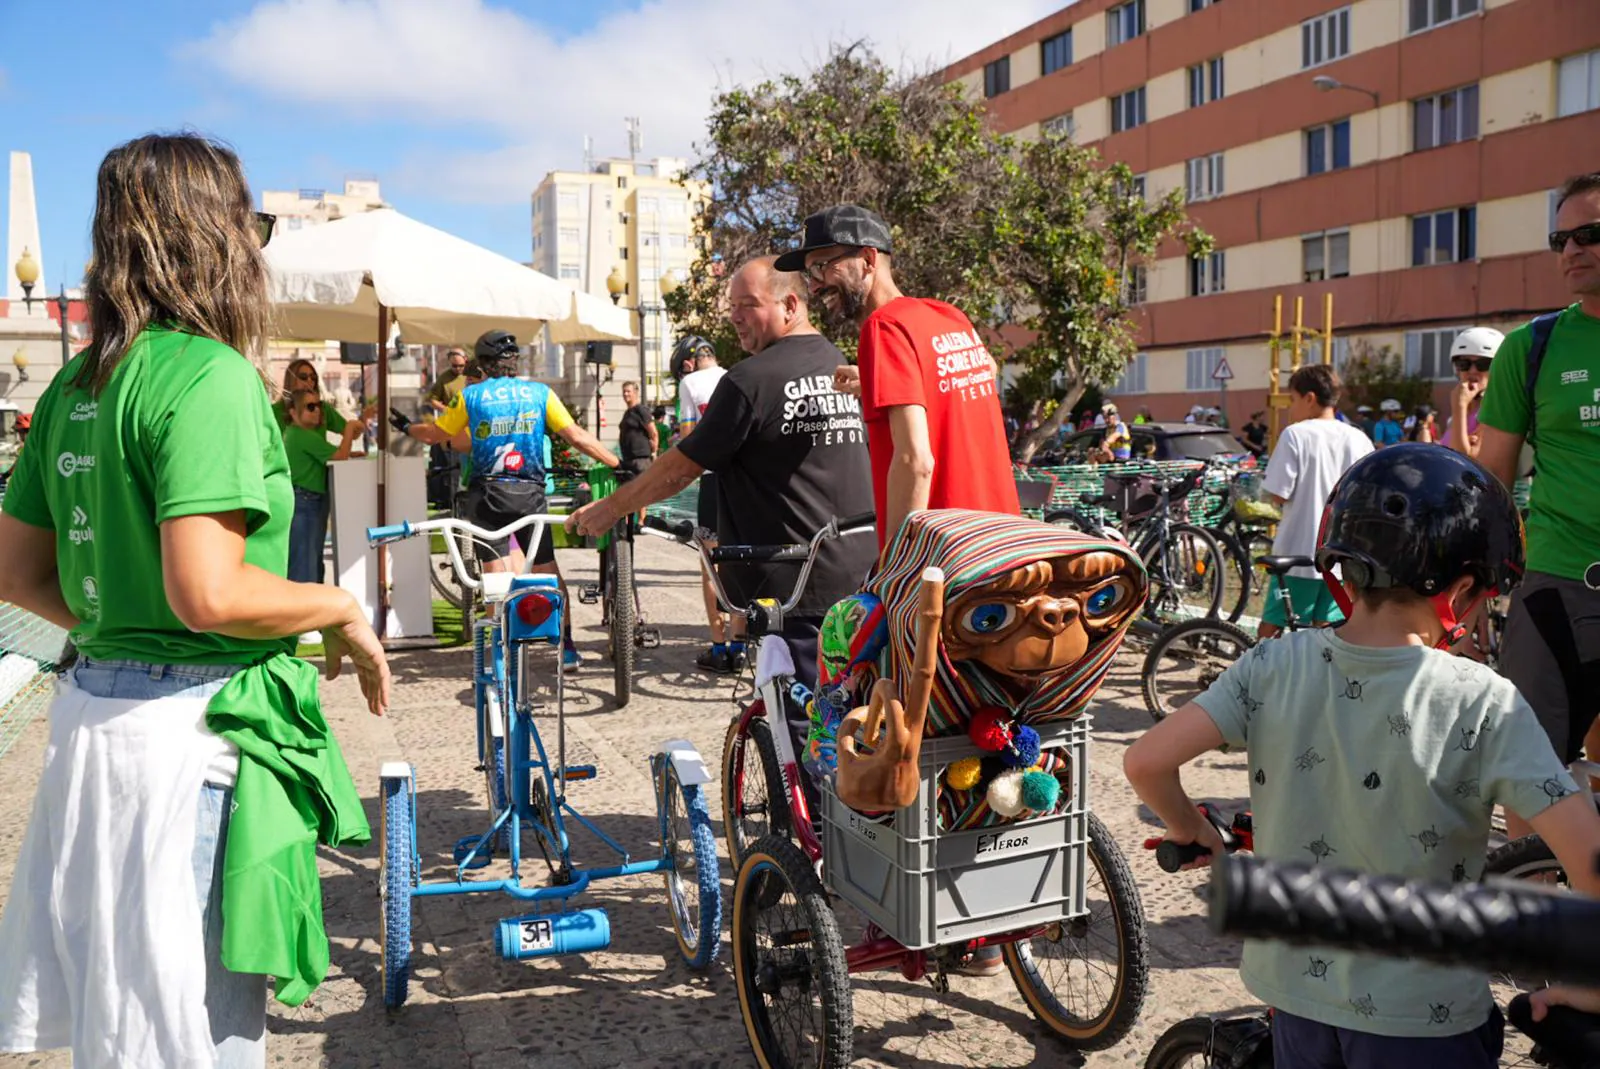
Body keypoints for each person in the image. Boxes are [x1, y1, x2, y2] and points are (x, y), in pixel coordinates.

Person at [0, 131, 389, 1068]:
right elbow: (208, 592)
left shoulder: (73, 383)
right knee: (196, 1032)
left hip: (91, 727)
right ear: (206, 235)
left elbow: (14, 577)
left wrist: (115, 629)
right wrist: (333, 606)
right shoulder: (208, 375)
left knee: (122, 1020)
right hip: (187, 743)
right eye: (244, 222)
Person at [1124, 444, 1600, 1069]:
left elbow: (1145, 762)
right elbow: (1589, 861)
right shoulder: (1483, 701)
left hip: (1297, 1004)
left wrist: (1191, 829)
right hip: (1428, 1022)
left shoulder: (1273, 664)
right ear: (1459, 594)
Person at [570, 253, 875, 710]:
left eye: (747, 304)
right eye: (731, 306)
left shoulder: (751, 379)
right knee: (856, 718)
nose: (734, 317)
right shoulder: (838, 364)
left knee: (806, 726)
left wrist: (610, 508)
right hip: (860, 573)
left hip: (795, 588)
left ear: (790, 305)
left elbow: (681, 467)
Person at [1476, 171, 1600, 843]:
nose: (1572, 249)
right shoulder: (1532, 348)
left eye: (1591, 234)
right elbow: (1493, 478)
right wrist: (1474, 589)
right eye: (1562, 238)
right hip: (1556, 584)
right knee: (1529, 766)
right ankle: (1536, 909)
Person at [782, 203, 1019, 551]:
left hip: (946, 560)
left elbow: (915, 461)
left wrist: (895, 567)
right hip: (1001, 543)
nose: (815, 287)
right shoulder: (948, 316)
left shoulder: (884, 327)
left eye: (822, 266)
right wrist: (878, 382)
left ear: (867, 259)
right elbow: (985, 369)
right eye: (809, 275)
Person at [399, 329, 618, 667]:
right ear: (514, 361)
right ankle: (567, 646)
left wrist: (406, 428)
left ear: (483, 364)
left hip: (488, 496)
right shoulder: (539, 393)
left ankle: (498, 653)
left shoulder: (470, 397)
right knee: (547, 569)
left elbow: (436, 435)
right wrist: (617, 463)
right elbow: (575, 436)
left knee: (496, 574)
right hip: (530, 494)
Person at [1257, 364, 1372, 639]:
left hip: (1300, 549)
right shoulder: (1358, 438)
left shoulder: (1296, 434)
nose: (1290, 408)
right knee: (1325, 632)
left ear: (1309, 398)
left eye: (1292, 400)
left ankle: (1252, 679)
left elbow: (1278, 492)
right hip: (1342, 554)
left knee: (1272, 625)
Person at [666, 334, 744, 671]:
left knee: (709, 564)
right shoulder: (736, 375)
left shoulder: (691, 383)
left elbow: (689, 439)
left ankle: (718, 646)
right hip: (743, 482)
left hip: (712, 480)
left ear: (687, 364)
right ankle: (740, 646)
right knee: (738, 562)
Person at [282, 389, 362, 584]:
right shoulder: (301, 435)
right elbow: (340, 456)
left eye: (318, 405)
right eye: (310, 407)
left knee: (311, 560)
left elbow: (332, 454)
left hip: (306, 500)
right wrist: (350, 429)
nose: (317, 410)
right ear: (293, 412)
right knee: (306, 565)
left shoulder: (300, 434)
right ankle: (304, 611)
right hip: (305, 502)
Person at [1439, 327, 1504, 460]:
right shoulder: (1460, 415)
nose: (1473, 371)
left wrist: (1459, 407)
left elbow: (1463, 462)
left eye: (1484, 364)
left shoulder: (1495, 410)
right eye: (1464, 364)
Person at [616, 380, 658, 479]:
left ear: (635, 393)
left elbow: (653, 432)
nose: (625, 394)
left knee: (643, 489)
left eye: (628, 391)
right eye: (624, 391)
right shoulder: (627, 413)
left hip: (641, 460)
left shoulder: (641, 410)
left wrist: (654, 452)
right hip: (629, 459)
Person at [425, 347, 470, 414]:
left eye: (461, 366)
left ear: (466, 361)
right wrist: (446, 410)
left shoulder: (472, 375)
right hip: (453, 419)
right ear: (449, 362)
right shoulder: (443, 378)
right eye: (454, 366)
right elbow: (433, 400)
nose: (458, 368)